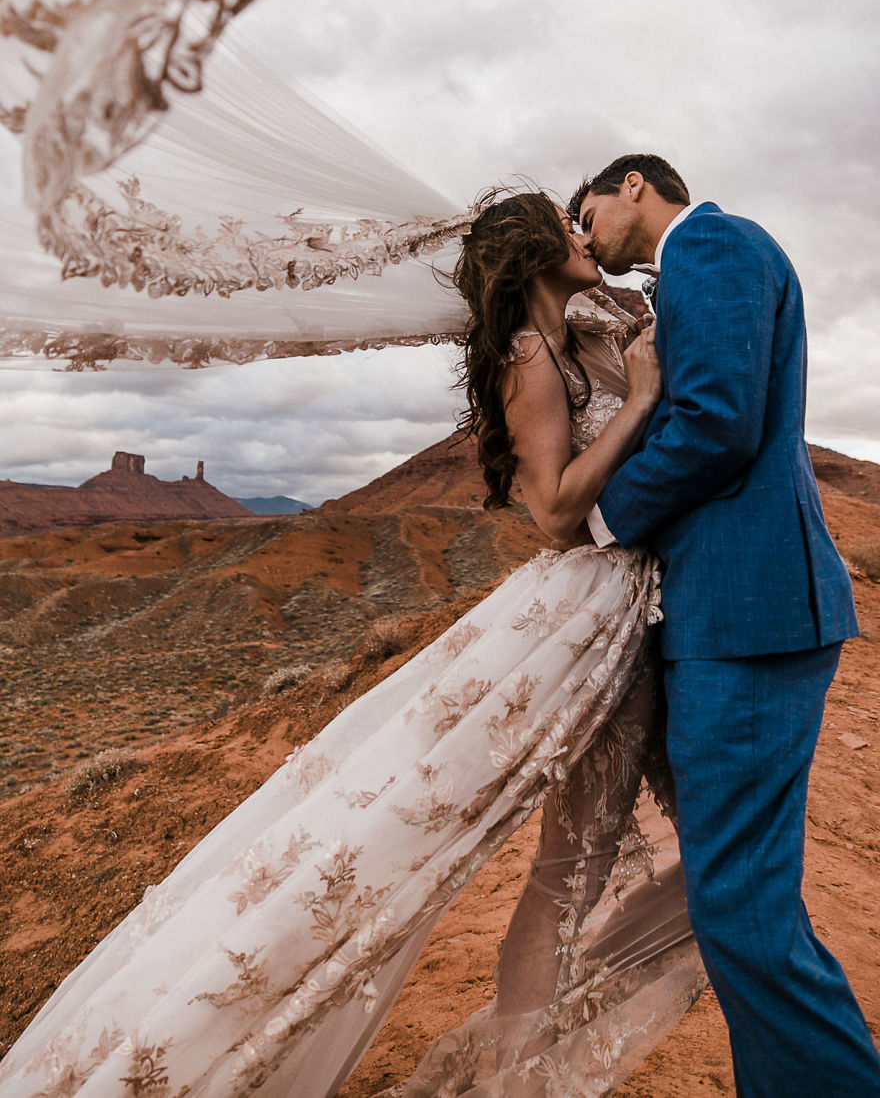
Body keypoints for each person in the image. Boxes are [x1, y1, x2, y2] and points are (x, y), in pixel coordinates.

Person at [0, 190, 704, 1098]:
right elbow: (557, 510)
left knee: (609, 858)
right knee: (560, 868)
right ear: (532, 253)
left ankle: (539, 1056)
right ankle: (518, 1081)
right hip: (585, 612)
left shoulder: (564, 335)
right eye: (564, 225)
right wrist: (643, 399)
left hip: (619, 610)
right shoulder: (528, 353)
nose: (582, 232)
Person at [568, 153, 880, 1098]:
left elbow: (716, 423)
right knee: (746, 899)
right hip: (734, 612)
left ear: (634, 185)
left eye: (589, 214)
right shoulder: (693, 266)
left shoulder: (711, 245)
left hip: (750, 616)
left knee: (741, 907)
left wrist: (601, 518)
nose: (586, 238)